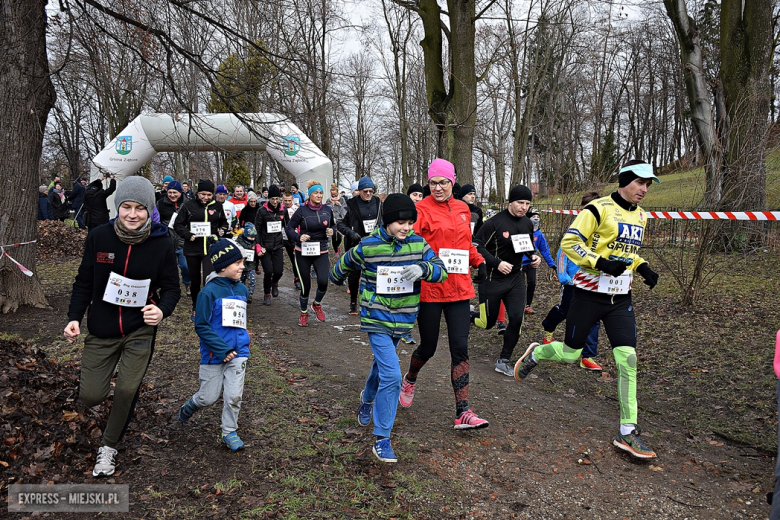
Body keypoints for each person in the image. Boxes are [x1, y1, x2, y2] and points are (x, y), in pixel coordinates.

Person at [514, 159, 661, 459]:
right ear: (625, 180)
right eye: (640, 183)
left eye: (648, 184)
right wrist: (599, 263)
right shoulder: (597, 209)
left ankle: (627, 432)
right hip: (587, 294)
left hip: (620, 299)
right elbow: (570, 243)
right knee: (572, 353)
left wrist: (642, 266)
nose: (644, 189)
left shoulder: (642, 216)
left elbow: (627, 254)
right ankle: (538, 353)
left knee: (627, 360)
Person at [64, 176, 181, 477]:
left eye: (140, 208)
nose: (132, 214)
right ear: (117, 207)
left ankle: (108, 447)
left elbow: (171, 288)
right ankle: (106, 407)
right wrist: (74, 317)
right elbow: (84, 281)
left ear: (149, 210)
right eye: (126, 207)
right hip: (102, 330)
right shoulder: (99, 237)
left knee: (127, 390)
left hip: (139, 329)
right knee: (91, 396)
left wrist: (161, 310)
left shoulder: (161, 242)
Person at [330, 194, 447, 462]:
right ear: (388, 221)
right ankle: (382, 438)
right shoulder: (369, 245)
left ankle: (367, 398)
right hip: (376, 318)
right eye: (401, 223)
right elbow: (345, 263)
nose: (406, 228)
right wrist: (335, 277)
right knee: (393, 375)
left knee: (382, 366)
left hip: (403, 320)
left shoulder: (418, 244)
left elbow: (442, 271)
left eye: (410, 222)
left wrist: (423, 268)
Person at [398, 158, 490, 429]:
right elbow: (410, 245)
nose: (437, 187)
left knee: (460, 349)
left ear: (452, 181)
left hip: (460, 289)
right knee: (428, 347)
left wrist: (479, 261)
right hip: (430, 289)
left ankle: (463, 411)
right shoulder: (420, 209)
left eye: (443, 182)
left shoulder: (463, 209)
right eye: (433, 182)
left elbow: (464, 245)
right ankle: (411, 377)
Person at [178, 239, 250, 451]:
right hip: (213, 355)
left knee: (234, 396)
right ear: (222, 266)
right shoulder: (207, 293)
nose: (242, 266)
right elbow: (201, 326)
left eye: (243, 262)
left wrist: (243, 339)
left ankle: (229, 431)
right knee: (208, 397)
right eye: (237, 263)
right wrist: (222, 349)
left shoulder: (243, 290)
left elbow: (240, 320)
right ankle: (192, 403)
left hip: (239, 353)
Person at [471, 185, 541, 377]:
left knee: (517, 318)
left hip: (516, 278)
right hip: (493, 279)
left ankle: (504, 360)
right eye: (520, 203)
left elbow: (527, 246)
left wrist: (533, 257)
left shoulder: (527, 223)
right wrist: (496, 263)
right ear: (510, 202)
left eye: (527, 203)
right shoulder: (495, 223)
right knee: (487, 323)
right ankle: (467, 316)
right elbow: (476, 246)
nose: (524, 207)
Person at [540, 191, 603, 371]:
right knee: (566, 311)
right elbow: (562, 253)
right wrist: (564, 277)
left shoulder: (602, 231)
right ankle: (548, 326)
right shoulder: (575, 228)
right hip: (572, 283)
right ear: (581, 210)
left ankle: (588, 356)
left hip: (593, 282)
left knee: (594, 318)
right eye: (589, 209)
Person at [174, 179, 229, 318]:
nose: (205, 197)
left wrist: (222, 229)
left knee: (209, 278)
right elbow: (178, 225)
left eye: (209, 195)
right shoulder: (188, 205)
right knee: (195, 280)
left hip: (210, 248)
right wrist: (188, 234)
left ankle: (209, 306)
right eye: (203, 194)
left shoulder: (217, 206)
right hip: (192, 248)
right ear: (198, 193)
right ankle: (195, 306)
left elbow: (223, 221)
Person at [285, 180, 334, 326]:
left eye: (320, 193)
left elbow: (334, 226)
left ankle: (316, 304)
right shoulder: (301, 211)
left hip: (321, 250)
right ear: (310, 195)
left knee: (323, 282)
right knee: (305, 286)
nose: (319, 195)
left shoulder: (327, 210)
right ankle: (304, 312)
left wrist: (332, 231)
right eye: (316, 193)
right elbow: (289, 229)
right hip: (303, 252)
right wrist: (298, 237)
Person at [336, 176, 382, 315]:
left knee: (373, 273)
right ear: (359, 190)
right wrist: (350, 233)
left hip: (374, 244)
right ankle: (353, 301)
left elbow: (384, 220)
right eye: (365, 191)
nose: (368, 194)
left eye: (370, 191)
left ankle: (371, 302)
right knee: (354, 274)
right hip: (355, 243)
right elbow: (339, 223)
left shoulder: (378, 202)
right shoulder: (350, 203)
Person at [398, 183, 426, 346]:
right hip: (402, 255)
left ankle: (407, 328)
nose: (417, 198)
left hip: (420, 255)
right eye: (414, 194)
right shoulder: (401, 211)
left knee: (415, 294)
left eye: (420, 195)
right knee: (403, 293)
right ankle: (403, 330)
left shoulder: (425, 212)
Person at [156, 180, 192, 296]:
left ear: (180, 192)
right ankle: (170, 289)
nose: (172, 195)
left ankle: (187, 285)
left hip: (183, 240)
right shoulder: (161, 203)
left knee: (185, 266)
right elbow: (157, 220)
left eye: (175, 192)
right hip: (167, 240)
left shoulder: (188, 203)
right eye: (170, 192)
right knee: (168, 268)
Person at [520, 208, 556, 315]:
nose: (536, 220)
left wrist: (552, 265)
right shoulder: (521, 230)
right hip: (520, 263)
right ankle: (519, 305)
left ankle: (527, 305)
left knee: (532, 283)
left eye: (537, 218)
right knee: (520, 285)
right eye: (533, 217)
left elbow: (545, 250)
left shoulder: (539, 234)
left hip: (532, 263)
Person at [255, 185, 285, 305]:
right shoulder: (262, 211)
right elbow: (256, 228)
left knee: (278, 271)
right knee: (268, 271)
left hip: (278, 245)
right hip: (265, 246)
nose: (274, 201)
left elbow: (287, 226)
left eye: (277, 199)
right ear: (268, 199)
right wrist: (258, 245)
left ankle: (274, 283)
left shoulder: (283, 210)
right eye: (272, 199)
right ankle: (266, 294)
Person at [281, 191, 300, 290]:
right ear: (282, 200)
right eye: (285, 201)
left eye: (289, 200)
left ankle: (297, 279)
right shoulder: (279, 209)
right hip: (282, 237)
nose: (287, 203)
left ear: (292, 199)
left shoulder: (297, 209)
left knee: (295, 260)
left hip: (294, 238)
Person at [235, 223, 259, 303]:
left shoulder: (255, 242)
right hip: (241, 266)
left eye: (254, 237)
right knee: (240, 281)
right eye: (251, 237)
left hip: (251, 265)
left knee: (252, 280)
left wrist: (260, 252)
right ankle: (241, 295)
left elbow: (258, 252)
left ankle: (249, 296)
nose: (253, 239)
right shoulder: (239, 241)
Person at [327, 183, 347, 257]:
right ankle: (336, 250)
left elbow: (345, 209)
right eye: (333, 195)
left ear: (338, 193)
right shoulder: (328, 200)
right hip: (331, 220)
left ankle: (338, 247)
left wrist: (340, 205)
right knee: (332, 236)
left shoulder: (342, 199)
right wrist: (331, 205)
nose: (334, 196)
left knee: (338, 236)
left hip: (339, 220)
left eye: (335, 194)